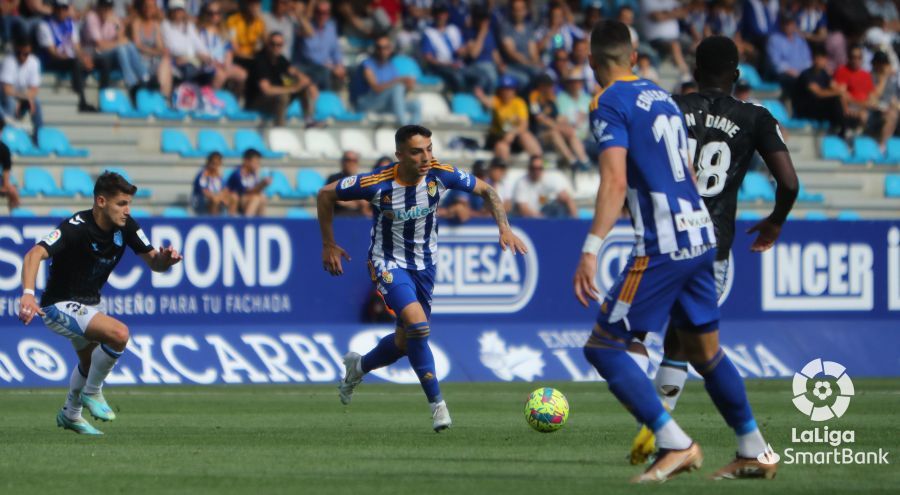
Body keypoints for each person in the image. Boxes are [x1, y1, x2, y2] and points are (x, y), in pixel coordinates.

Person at [572, 20, 775, 483]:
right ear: (635, 57)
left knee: (604, 346)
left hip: (664, 243)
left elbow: (614, 180)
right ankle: (752, 449)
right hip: (702, 234)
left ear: (591, 62)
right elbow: (684, 167)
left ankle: (674, 442)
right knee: (706, 353)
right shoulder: (662, 96)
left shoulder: (607, 103)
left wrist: (590, 247)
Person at [631, 35, 798, 468]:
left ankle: (667, 433)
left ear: (693, 70)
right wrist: (776, 220)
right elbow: (791, 183)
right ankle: (678, 435)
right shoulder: (756, 116)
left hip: (668, 239)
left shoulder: (669, 106)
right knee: (691, 344)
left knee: (658, 339)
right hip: (713, 247)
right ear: (738, 76)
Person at [319, 124, 527, 431]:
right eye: (417, 151)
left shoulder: (440, 175)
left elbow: (487, 190)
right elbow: (325, 195)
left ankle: (358, 366)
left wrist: (504, 227)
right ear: (400, 155)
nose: (426, 157)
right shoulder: (377, 183)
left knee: (405, 341)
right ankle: (438, 406)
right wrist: (328, 243)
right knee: (418, 325)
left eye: (429, 149)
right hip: (386, 262)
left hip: (426, 267)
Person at [17, 171, 182, 435]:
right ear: (101, 202)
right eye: (121, 204)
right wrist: (27, 292)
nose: (127, 210)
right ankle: (92, 393)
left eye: (129, 204)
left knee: (88, 363)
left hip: (90, 305)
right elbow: (34, 253)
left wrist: (166, 260)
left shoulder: (126, 226)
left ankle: (70, 413)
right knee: (119, 334)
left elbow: (154, 261)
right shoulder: (76, 227)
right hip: (57, 305)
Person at [244, 31, 319, 127]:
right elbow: (266, 90)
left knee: (303, 88)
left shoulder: (281, 59)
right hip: (256, 102)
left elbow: (294, 71)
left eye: (279, 45)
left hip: (273, 100)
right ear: (268, 45)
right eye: (273, 44)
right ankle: (280, 128)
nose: (276, 47)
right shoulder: (260, 61)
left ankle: (309, 120)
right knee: (283, 96)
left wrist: (309, 84)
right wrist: (292, 88)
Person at [36, 0, 98, 112]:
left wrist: (84, 58)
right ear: (54, 9)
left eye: (64, 8)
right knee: (75, 63)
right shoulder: (44, 25)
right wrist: (75, 59)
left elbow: (77, 47)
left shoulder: (70, 23)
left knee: (98, 61)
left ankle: (103, 100)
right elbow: (53, 53)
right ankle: (82, 102)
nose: (61, 11)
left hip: (69, 58)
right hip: (52, 61)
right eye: (59, 8)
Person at [83, 0, 150, 95]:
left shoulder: (113, 17)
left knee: (130, 46)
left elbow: (121, 38)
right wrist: (118, 43)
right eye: (104, 6)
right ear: (98, 6)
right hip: (93, 54)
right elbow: (100, 45)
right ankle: (131, 83)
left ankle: (145, 77)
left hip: (109, 53)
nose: (106, 10)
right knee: (121, 48)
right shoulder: (91, 17)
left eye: (109, 7)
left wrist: (116, 24)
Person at [529, 73, 590, 171]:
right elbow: (539, 118)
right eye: (548, 85)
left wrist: (565, 125)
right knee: (554, 133)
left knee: (570, 132)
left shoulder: (552, 98)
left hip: (554, 129)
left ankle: (584, 161)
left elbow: (558, 117)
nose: (551, 88)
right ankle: (572, 160)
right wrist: (557, 126)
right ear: (541, 86)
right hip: (539, 133)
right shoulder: (534, 97)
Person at [355, 35, 420, 125]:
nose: (382, 51)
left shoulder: (390, 66)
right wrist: (399, 80)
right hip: (367, 103)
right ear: (375, 49)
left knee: (416, 105)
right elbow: (376, 89)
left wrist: (408, 85)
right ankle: (404, 127)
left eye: (385, 48)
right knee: (398, 87)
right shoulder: (367, 65)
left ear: (390, 49)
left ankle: (415, 132)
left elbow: (398, 92)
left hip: (384, 103)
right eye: (379, 48)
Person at [477, 75, 542, 161]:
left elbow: (524, 125)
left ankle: (538, 162)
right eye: (504, 89)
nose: (506, 92)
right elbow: (488, 102)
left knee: (526, 136)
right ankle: (502, 168)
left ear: (514, 90)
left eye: (509, 89)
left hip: (513, 136)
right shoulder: (497, 101)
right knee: (502, 147)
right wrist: (481, 96)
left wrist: (512, 133)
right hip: (498, 136)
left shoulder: (519, 103)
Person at [794, 44, 847, 134]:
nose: (819, 61)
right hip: (806, 109)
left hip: (819, 107)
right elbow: (818, 93)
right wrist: (838, 92)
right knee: (835, 99)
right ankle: (840, 129)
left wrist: (841, 92)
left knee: (838, 99)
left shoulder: (824, 74)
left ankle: (842, 126)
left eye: (821, 58)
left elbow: (836, 87)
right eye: (817, 58)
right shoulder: (806, 75)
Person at [197, 1, 247, 93]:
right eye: (211, 13)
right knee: (221, 74)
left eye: (217, 13)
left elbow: (228, 51)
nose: (214, 16)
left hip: (223, 64)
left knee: (242, 74)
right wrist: (214, 63)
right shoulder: (201, 32)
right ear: (206, 15)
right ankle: (212, 97)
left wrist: (227, 65)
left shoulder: (223, 32)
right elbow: (199, 52)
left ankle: (235, 98)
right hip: (208, 64)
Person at [296, 0, 346, 91]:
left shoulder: (331, 26)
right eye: (319, 12)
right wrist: (329, 66)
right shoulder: (307, 28)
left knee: (347, 71)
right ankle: (325, 100)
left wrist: (339, 64)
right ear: (315, 13)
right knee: (326, 73)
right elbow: (309, 54)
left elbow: (335, 49)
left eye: (325, 13)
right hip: (306, 66)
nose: (322, 16)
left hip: (326, 67)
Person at [162, 0, 213, 85]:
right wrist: (194, 54)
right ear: (170, 11)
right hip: (177, 62)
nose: (178, 12)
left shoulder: (189, 26)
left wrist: (206, 55)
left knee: (211, 69)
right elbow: (173, 48)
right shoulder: (166, 25)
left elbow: (198, 43)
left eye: (180, 9)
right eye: (175, 9)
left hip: (192, 60)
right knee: (189, 69)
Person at [1, 37, 43, 141]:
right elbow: (6, 90)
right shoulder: (9, 61)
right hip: (4, 97)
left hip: (19, 95)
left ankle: (37, 136)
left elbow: (34, 90)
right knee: (11, 103)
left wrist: (25, 99)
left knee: (36, 102)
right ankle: (8, 136)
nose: (22, 56)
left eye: (25, 54)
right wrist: (24, 98)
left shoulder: (34, 62)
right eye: (18, 53)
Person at [131, 0, 173, 100]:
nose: (148, 9)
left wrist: (161, 51)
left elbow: (160, 46)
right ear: (142, 8)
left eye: (151, 7)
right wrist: (156, 51)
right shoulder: (136, 23)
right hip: (140, 59)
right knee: (165, 63)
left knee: (166, 60)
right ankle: (163, 96)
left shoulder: (156, 25)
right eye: (146, 6)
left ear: (155, 9)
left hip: (153, 59)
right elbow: (138, 46)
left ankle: (163, 95)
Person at [512, 155, 577, 218]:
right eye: (533, 168)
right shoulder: (522, 183)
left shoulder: (553, 178)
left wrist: (575, 220)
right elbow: (523, 208)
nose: (536, 171)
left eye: (539, 168)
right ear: (529, 168)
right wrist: (542, 219)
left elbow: (567, 198)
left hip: (549, 215)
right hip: (531, 220)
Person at [765, 16, 812, 101]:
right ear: (782, 25)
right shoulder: (774, 39)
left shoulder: (800, 39)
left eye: (791, 23)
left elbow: (807, 60)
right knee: (797, 83)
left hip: (801, 74)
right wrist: (791, 71)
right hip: (784, 74)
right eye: (786, 24)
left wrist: (802, 73)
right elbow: (775, 63)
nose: (788, 26)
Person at [500, 0, 542, 88]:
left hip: (528, 65)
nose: (518, 13)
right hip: (512, 65)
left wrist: (535, 61)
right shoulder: (506, 27)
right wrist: (529, 63)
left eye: (521, 10)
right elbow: (511, 53)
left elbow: (533, 50)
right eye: (516, 10)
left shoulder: (529, 28)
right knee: (524, 79)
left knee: (540, 72)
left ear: (525, 11)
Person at [834, 45, 876, 130]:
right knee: (863, 115)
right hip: (851, 107)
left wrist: (868, 104)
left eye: (859, 57)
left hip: (865, 107)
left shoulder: (866, 75)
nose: (856, 60)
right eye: (853, 57)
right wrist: (860, 105)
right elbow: (842, 94)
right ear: (849, 58)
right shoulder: (842, 71)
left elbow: (872, 95)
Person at [225, 148, 271, 216]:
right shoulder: (238, 173)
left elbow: (255, 189)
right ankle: (247, 222)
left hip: (247, 199)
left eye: (258, 163)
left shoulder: (253, 174)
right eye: (255, 162)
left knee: (262, 197)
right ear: (246, 161)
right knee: (256, 198)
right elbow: (248, 191)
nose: (257, 165)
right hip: (237, 200)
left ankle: (260, 221)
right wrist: (262, 184)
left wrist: (262, 183)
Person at [325, 150, 371, 216]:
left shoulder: (362, 180)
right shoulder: (334, 179)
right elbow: (334, 200)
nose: (351, 163)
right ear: (342, 162)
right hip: (339, 217)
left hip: (360, 218)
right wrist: (357, 202)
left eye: (354, 160)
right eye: (348, 160)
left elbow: (365, 204)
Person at [227, 0, 266, 72]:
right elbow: (234, 47)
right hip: (238, 58)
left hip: (253, 58)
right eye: (252, 4)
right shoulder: (233, 20)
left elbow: (267, 44)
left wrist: (262, 20)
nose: (254, 7)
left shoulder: (259, 21)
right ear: (246, 4)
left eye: (257, 4)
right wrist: (251, 58)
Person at [0, 116, 20, 212]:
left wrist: (5, 185)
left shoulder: (4, 149)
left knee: (13, 192)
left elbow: (6, 169)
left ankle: (14, 217)